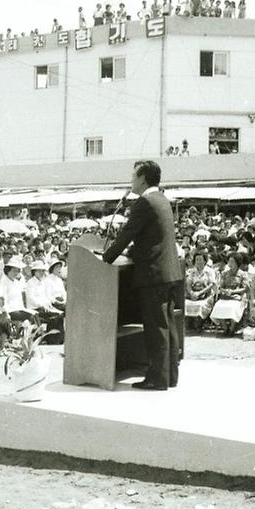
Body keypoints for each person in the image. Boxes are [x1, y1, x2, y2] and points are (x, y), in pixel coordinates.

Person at [102, 160, 182, 390]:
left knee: (156, 328)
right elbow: (153, 238)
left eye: (133, 176)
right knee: (166, 326)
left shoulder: (145, 202)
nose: (131, 180)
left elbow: (127, 233)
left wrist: (106, 258)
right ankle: (170, 376)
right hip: (166, 272)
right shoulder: (162, 199)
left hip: (153, 274)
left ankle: (157, 379)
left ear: (143, 178)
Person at [210, 253, 249, 335]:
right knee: (218, 306)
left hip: (237, 296)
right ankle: (225, 328)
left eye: (232, 261)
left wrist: (233, 292)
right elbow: (220, 286)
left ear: (237, 262)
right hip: (226, 296)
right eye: (229, 261)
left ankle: (232, 328)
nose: (230, 263)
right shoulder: (225, 274)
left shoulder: (243, 274)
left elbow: (245, 288)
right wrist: (225, 291)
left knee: (233, 307)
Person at [184, 250, 215, 331]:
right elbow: (188, 284)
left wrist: (199, 293)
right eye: (197, 259)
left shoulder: (210, 271)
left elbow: (211, 285)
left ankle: (199, 323)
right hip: (194, 294)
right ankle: (190, 322)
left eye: (200, 259)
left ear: (205, 260)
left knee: (202, 305)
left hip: (206, 295)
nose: (198, 262)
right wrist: (191, 293)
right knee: (185, 303)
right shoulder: (192, 271)